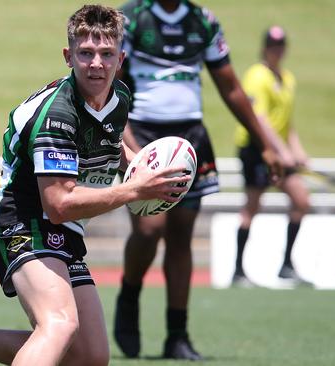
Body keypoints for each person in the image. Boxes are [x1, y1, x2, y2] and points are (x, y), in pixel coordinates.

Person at [0, 5, 191, 366]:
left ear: (120, 59)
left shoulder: (117, 98)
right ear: (68, 56)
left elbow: (109, 138)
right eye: (86, 53)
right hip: (21, 223)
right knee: (58, 325)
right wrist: (137, 190)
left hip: (62, 230)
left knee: (88, 356)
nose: (96, 64)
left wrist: (140, 166)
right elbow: (59, 202)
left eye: (107, 54)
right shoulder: (57, 115)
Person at [113, 0, 282, 360]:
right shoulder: (130, 18)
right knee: (148, 230)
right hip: (141, 134)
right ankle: (129, 294)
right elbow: (109, 87)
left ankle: (178, 334)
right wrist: (129, 145)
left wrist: (264, 143)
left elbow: (231, 87)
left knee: (181, 237)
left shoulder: (203, 21)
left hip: (190, 139)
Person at [232, 26, 311, 287]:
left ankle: (287, 265)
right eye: (272, 45)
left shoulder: (287, 78)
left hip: (279, 151)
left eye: (280, 46)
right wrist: (282, 151)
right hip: (256, 149)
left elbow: (286, 123)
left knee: (301, 199)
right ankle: (238, 271)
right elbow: (260, 119)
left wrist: (296, 149)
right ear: (265, 47)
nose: (276, 50)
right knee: (252, 206)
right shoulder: (257, 76)